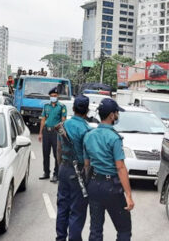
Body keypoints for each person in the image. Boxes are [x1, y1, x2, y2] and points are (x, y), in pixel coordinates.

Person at [83, 98, 134, 241]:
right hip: (111, 187)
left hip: (94, 184)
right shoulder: (114, 138)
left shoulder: (89, 135)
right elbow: (120, 167)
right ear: (112, 115)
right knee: (124, 229)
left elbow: (87, 164)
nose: (118, 116)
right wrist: (128, 195)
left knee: (95, 230)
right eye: (117, 113)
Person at [55, 95, 92, 241]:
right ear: (87, 111)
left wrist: (61, 168)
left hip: (64, 168)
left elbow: (58, 149)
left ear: (73, 108)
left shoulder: (63, 125)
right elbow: (87, 159)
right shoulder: (86, 130)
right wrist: (87, 177)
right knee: (77, 211)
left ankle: (60, 238)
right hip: (79, 172)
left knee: (63, 207)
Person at [39, 87, 67, 182]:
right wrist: (40, 133)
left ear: (57, 96)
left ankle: (56, 174)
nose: (53, 97)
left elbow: (63, 121)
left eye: (55, 96)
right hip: (46, 132)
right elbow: (43, 119)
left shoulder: (62, 107)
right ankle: (46, 172)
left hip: (56, 133)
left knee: (56, 154)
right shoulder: (46, 106)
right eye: (51, 96)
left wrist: (62, 134)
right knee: (45, 153)